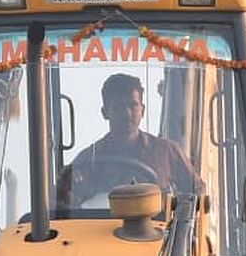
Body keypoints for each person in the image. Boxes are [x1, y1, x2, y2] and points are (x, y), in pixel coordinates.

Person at [58, 71, 202, 215]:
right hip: (100, 234)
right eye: (119, 107)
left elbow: (197, 192)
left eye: (133, 105)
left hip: (160, 234)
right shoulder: (87, 161)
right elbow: (64, 204)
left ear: (143, 110)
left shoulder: (168, 152)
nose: (127, 113)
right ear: (105, 112)